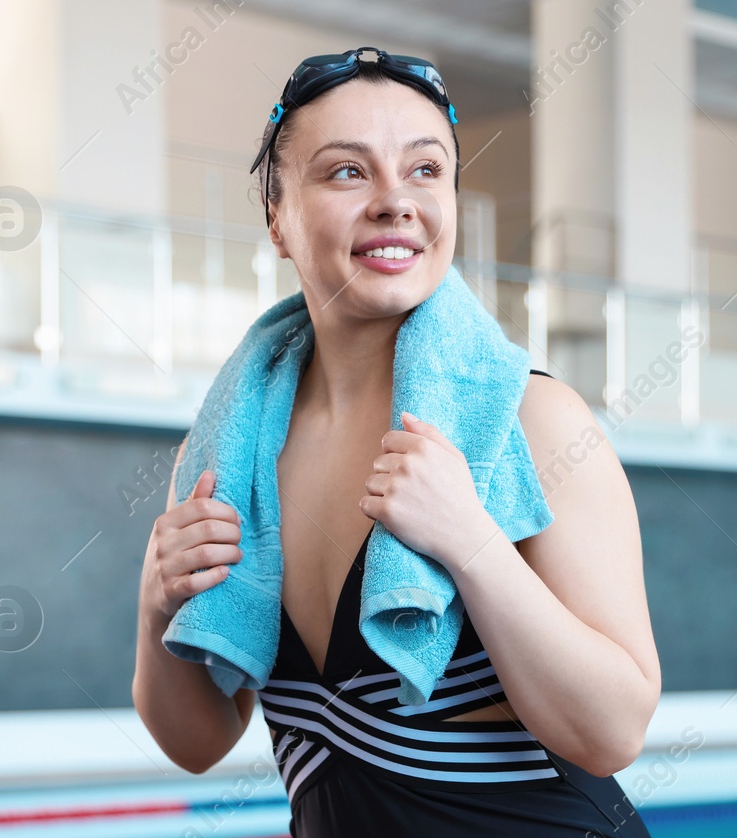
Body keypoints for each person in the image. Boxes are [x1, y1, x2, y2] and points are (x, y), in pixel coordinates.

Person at [134, 47, 659, 836]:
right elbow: (198, 744)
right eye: (347, 172)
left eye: (425, 170)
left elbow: (614, 732)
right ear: (277, 218)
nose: (395, 202)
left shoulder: (534, 423)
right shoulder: (226, 458)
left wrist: (470, 543)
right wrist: (155, 605)